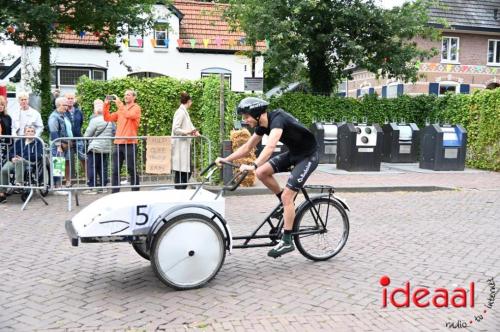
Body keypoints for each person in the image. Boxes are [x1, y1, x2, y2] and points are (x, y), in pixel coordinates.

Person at [216, 97, 319, 258]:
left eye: (246, 116)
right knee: (262, 173)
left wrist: (254, 165)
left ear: (257, 114)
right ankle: (283, 204)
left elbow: (270, 147)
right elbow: (247, 147)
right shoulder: (263, 126)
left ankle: (287, 240)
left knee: (287, 196)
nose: (245, 120)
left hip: (308, 156)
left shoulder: (278, 120)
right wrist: (226, 159)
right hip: (294, 154)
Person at [103, 90, 141, 193]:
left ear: (134, 97)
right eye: (125, 95)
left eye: (128, 94)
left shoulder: (136, 108)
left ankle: (135, 192)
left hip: (130, 143)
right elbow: (107, 118)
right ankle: (115, 192)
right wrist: (106, 104)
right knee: (115, 170)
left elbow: (129, 115)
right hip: (118, 143)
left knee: (131, 169)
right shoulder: (121, 109)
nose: (125, 96)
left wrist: (119, 104)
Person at [0, 125, 43, 203]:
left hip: (29, 161)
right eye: (28, 131)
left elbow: (39, 155)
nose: (30, 133)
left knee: (20, 161)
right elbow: (10, 152)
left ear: (34, 133)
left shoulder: (38, 142)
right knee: (4, 170)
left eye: (32, 131)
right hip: (15, 161)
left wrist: (23, 158)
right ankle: (2, 193)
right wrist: (12, 158)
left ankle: (19, 183)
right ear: (24, 133)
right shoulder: (19, 141)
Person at [82, 99, 114, 194]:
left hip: (95, 148)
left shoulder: (94, 120)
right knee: (103, 167)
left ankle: (93, 187)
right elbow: (113, 133)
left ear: (96, 111)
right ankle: (103, 186)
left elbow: (87, 135)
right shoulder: (110, 120)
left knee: (92, 167)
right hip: (106, 147)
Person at [171, 92, 200, 189]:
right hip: (180, 146)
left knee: (184, 169)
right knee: (181, 170)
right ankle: (180, 190)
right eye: (191, 101)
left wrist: (195, 131)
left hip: (184, 145)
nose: (191, 103)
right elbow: (176, 129)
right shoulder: (180, 112)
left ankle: (181, 189)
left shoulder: (184, 112)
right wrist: (188, 132)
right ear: (188, 101)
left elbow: (190, 125)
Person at [48, 97, 72, 193]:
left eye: (66, 105)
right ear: (58, 105)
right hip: (57, 145)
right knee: (58, 165)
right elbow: (54, 132)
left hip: (65, 144)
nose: (66, 107)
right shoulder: (54, 117)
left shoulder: (64, 115)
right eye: (64, 105)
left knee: (61, 164)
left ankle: (59, 186)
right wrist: (58, 145)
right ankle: (57, 187)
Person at [65, 92, 86, 177]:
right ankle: (67, 180)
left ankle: (88, 179)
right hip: (66, 140)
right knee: (67, 160)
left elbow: (80, 123)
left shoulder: (78, 112)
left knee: (83, 159)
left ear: (74, 100)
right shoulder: (63, 111)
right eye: (68, 98)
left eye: (71, 98)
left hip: (78, 138)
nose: (70, 100)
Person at [0, 96, 12, 165]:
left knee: (3, 164)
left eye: (2, 105)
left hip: (5, 145)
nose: (1, 106)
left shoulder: (7, 117)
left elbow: (10, 130)